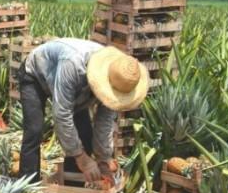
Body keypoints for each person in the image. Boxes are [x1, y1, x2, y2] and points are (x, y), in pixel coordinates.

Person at [17, 38, 149, 183]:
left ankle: (73, 189)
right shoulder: (72, 65)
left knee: (85, 135)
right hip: (35, 74)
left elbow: (104, 120)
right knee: (34, 131)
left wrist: (103, 157)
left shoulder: (117, 79)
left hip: (75, 87)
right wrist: (82, 159)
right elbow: (62, 114)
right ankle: (27, 187)